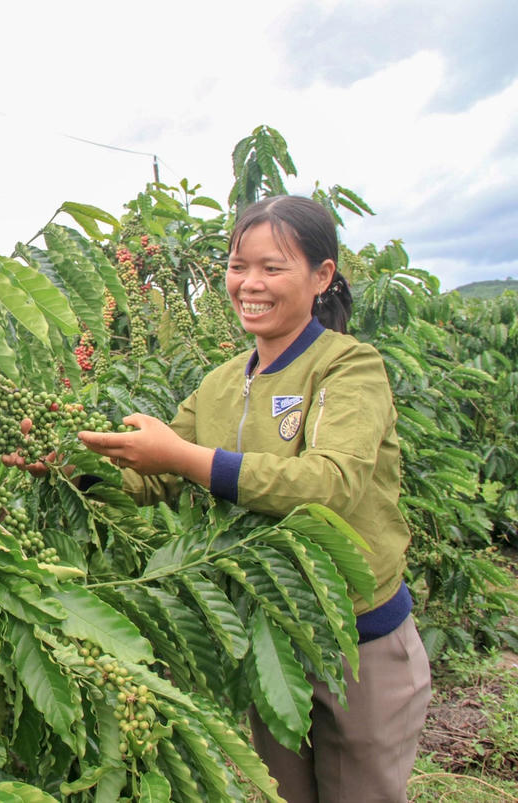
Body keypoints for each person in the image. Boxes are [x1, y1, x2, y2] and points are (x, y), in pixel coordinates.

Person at [76, 196, 431, 802]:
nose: (250, 284)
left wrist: (185, 458)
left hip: (361, 643)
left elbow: (331, 483)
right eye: (239, 265)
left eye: (274, 267)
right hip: (272, 644)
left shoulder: (349, 367)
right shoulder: (219, 384)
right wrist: (74, 464)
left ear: (322, 277)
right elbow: (152, 476)